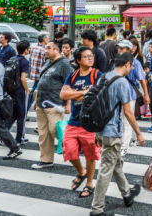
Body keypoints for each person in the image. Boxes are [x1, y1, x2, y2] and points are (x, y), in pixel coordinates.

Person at [89, 52, 145, 215]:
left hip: (100, 129)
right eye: (132, 66)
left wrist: (95, 131)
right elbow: (128, 112)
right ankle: (97, 209)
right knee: (106, 169)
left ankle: (127, 194)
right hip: (112, 132)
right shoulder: (122, 82)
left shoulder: (104, 77)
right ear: (127, 64)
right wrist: (138, 133)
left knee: (116, 163)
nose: (132, 68)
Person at [61, 46, 103, 198]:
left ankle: (89, 183)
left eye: (91, 56)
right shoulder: (72, 76)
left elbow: (95, 95)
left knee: (90, 154)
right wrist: (84, 92)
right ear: (78, 60)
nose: (90, 58)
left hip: (90, 122)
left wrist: (74, 94)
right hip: (74, 121)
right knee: (68, 150)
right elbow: (63, 94)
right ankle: (81, 171)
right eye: (86, 56)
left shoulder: (97, 74)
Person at [32, 40, 73, 169]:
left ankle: (75, 145)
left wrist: (68, 104)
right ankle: (46, 160)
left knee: (55, 130)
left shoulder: (64, 65)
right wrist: (36, 99)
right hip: (41, 103)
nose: (45, 51)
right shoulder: (47, 63)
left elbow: (70, 85)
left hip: (55, 104)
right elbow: (41, 82)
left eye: (48, 48)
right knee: (43, 134)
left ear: (57, 50)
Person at [118, 39, 148, 156]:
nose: (119, 51)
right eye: (119, 48)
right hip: (119, 94)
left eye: (122, 48)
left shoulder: (136, 63)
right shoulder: (117, 62)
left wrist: (146, 95)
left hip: (130, 94)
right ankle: (136, 136)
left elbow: (142, 80)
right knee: (126, 118)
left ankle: (124, 146)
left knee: (125, 120)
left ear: (129, 50)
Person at [1, 40, 30, 146]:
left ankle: (2, 134)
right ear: (26, 49)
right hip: (19, 91)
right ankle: (20, 138)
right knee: (22, 114)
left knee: (13, 114)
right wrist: (27, 89)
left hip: (10, 90)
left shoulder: (12, 59)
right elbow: (23, 78)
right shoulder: (24, 61)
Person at [27, 31, 49, 113]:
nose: (48, 40)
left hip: (35, 74)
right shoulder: (44, 50)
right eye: (47, 38)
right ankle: (23, 112)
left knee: (34, 93)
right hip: (41, 75)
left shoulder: (34, 47)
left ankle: (24, 111)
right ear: (44, 39)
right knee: (34, 94)